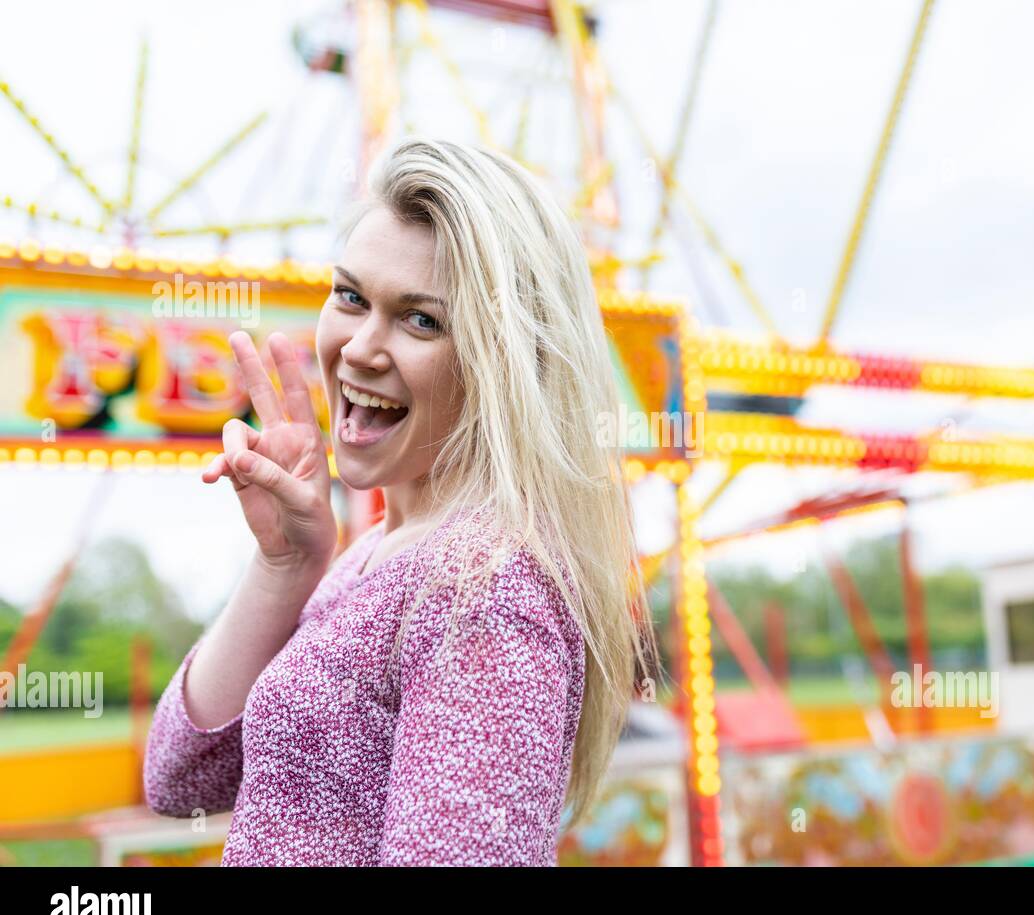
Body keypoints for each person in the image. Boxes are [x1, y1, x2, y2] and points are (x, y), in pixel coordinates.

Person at [144, 139, 656, 866]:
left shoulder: (487, 590)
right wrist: (288, 565)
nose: (359, 349)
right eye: (351, 297)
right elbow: (180, 779)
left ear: (503, 360)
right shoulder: (374, 558)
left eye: (421, 320)